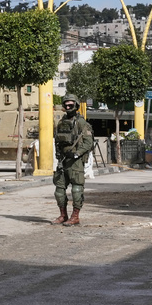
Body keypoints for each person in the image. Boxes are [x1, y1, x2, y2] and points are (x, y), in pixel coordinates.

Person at [53, 93, 95, 226]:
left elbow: (88, 143)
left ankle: (75, 216)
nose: (68, 106)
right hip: (63, 160)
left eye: (70, 104)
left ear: (76, 105)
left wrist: (77, 154)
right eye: (65, 104)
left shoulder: (82, 124)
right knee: (59, 190)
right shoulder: (61, 123)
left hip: (76, 161)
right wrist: (58, 154)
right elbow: (57, 140)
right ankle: (63, 215)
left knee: (76, 189)